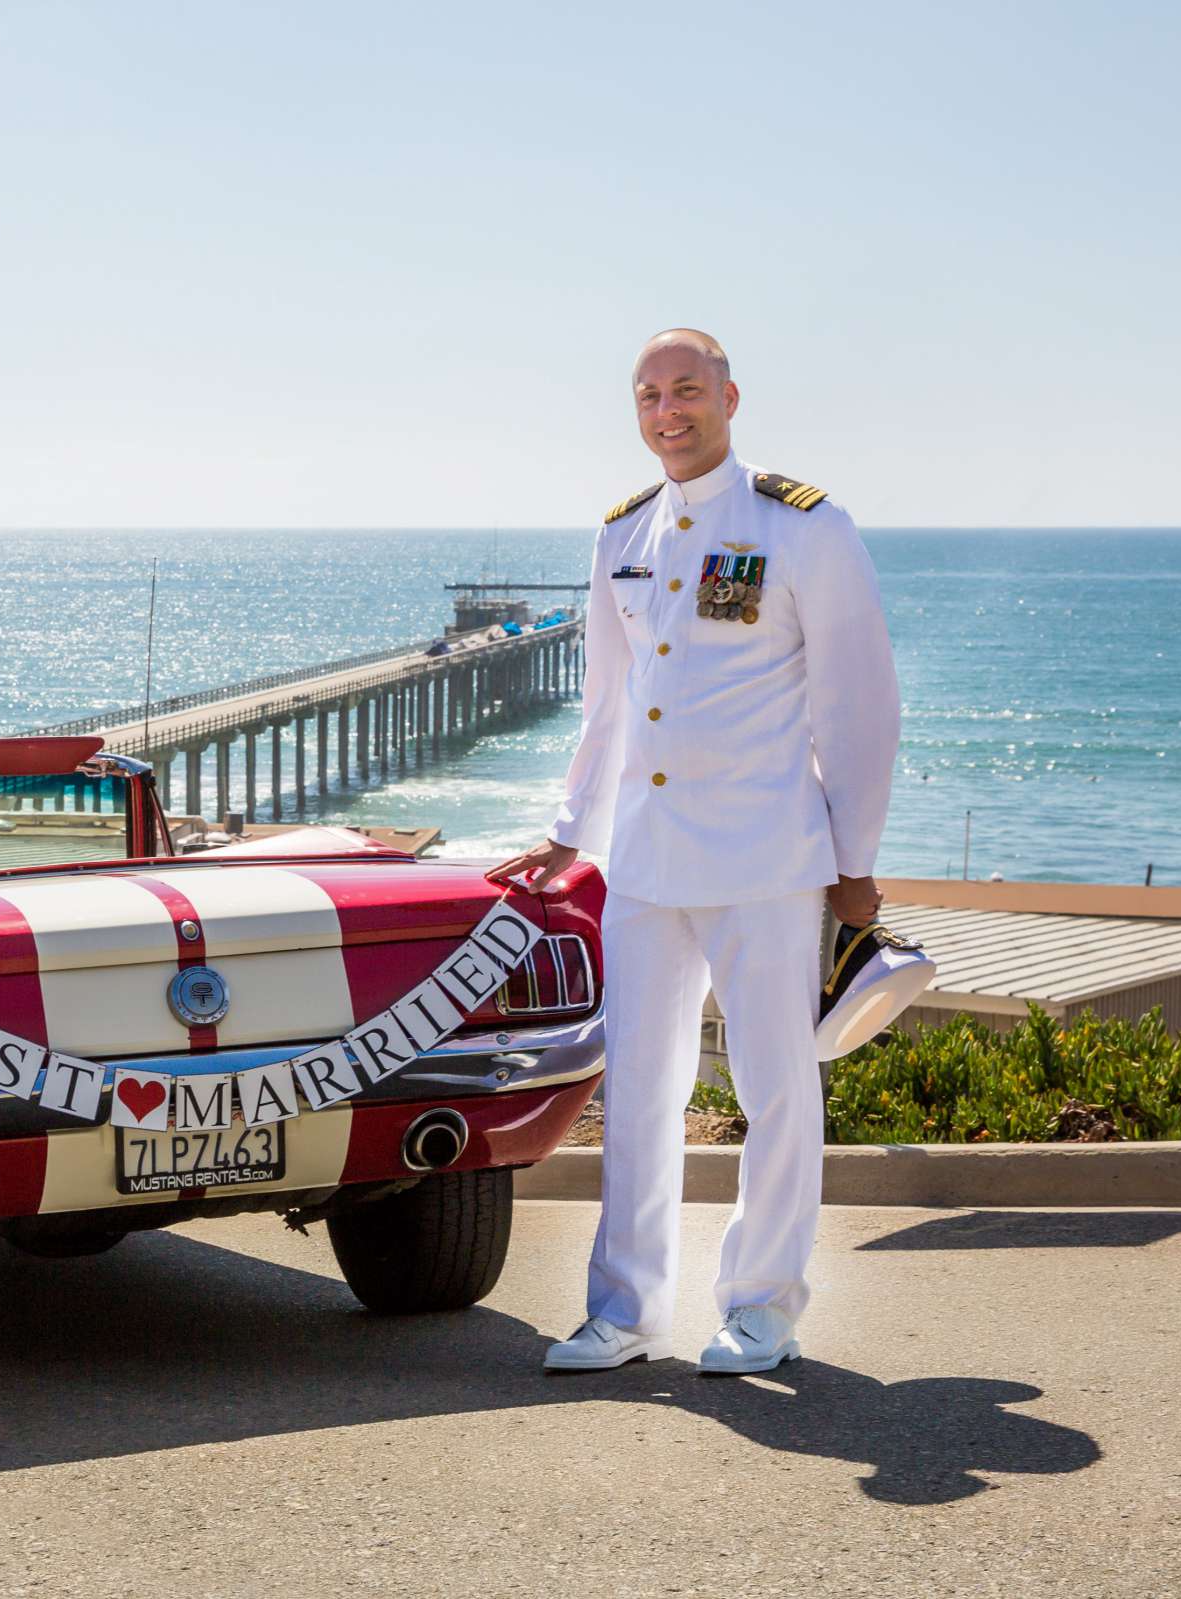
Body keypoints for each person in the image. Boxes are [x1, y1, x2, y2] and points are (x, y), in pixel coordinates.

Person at [488, 330, 899, 1376]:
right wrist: (571, 828)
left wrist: (856, 862)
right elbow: (610, 702)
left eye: (686, 391)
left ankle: (762, 1306)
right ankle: (624, 1313)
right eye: (649, 395)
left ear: (729, 396)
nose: (667, 411)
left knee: (774, 1090)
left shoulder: (804, 526)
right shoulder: (623, 530)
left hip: (766, 856)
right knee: (638, 1089)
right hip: (647, 860)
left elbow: (859, 704)